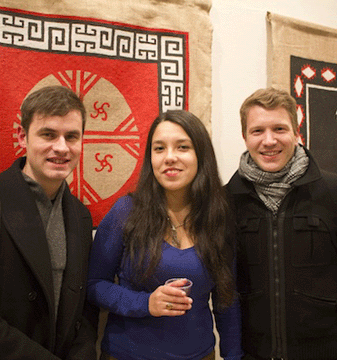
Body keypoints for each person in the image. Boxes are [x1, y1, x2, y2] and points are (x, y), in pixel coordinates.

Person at [0, 85, 98, 359]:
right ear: (22, 137)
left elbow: (83, 309)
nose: (61, 147)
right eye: (48, 134)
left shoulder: (81, 216)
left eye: (71, 136)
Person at [225, 87, 337, 360]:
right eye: (258, 131)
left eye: (279, 129)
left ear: (296, 132)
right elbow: (226, 290)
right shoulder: (227, 200)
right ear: (245, 136)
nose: (269, 140)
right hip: (255, 354)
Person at [87, 110, 243, 360]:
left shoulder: (218, 217)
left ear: (201, 156)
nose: (169, 157)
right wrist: (146, 303)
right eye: (159, 149)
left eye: (182, 147)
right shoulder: (125, 212)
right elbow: (94, 286)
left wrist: (233, 355)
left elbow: (227, 299)